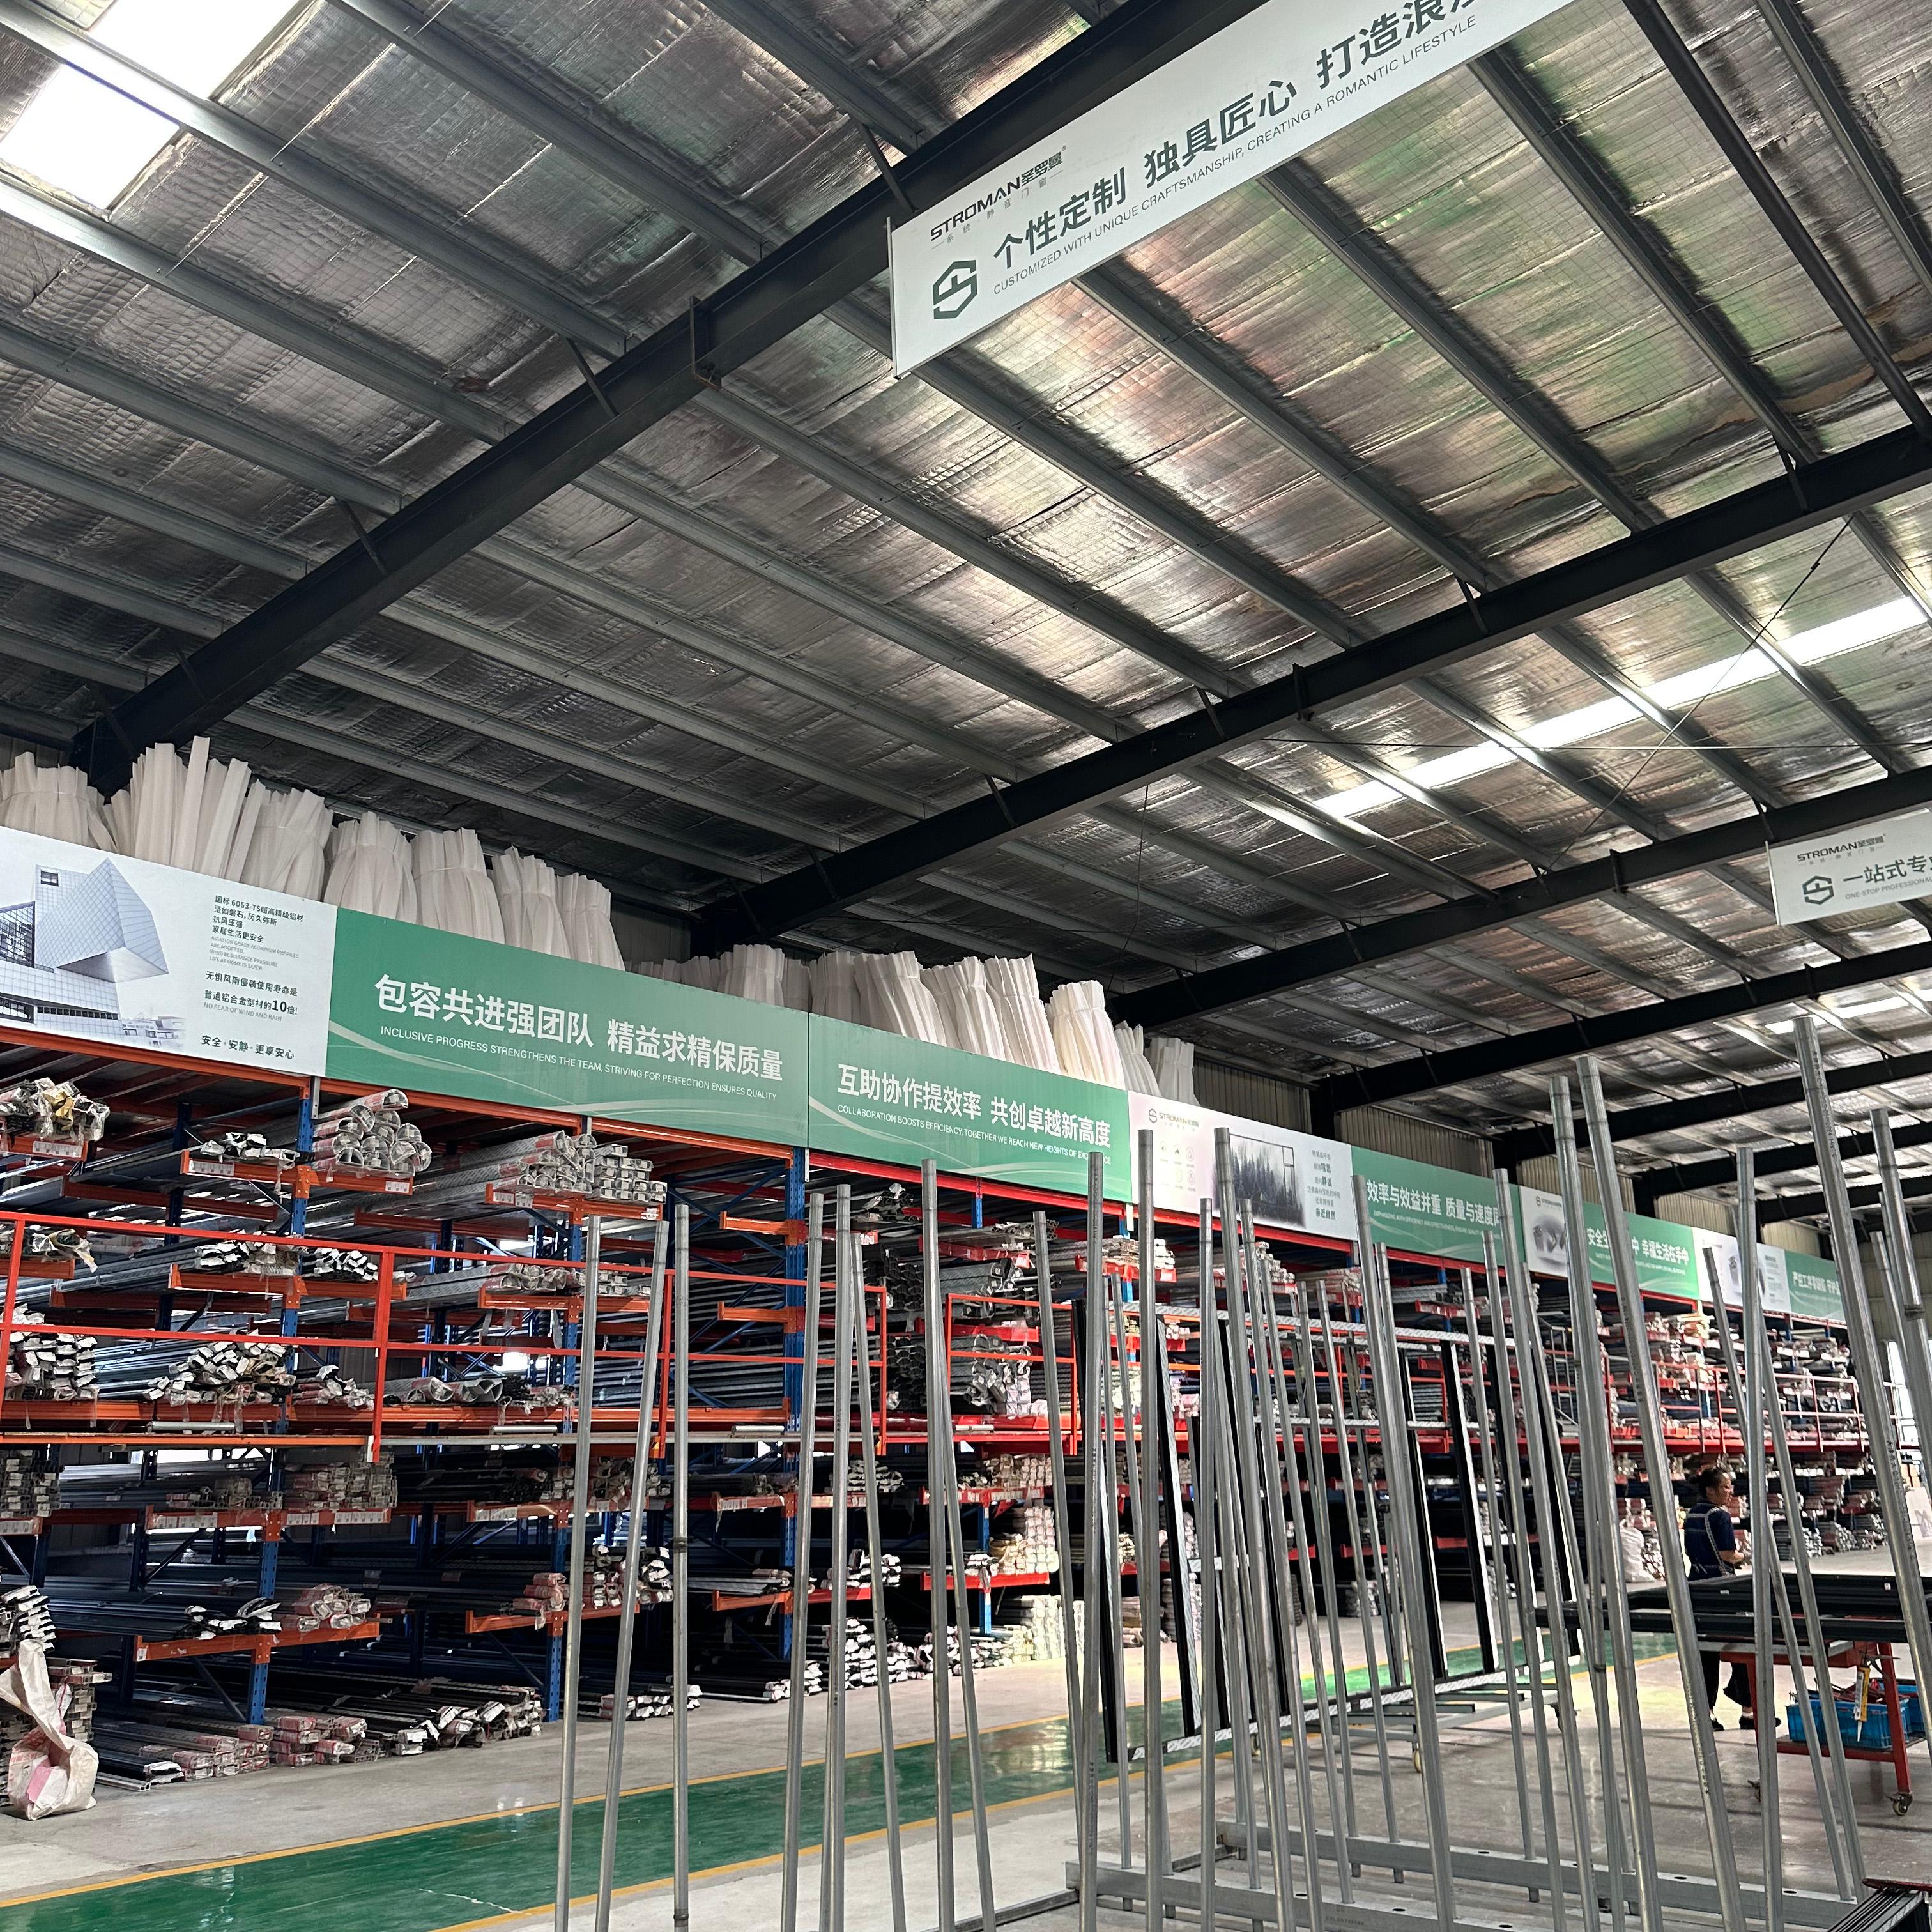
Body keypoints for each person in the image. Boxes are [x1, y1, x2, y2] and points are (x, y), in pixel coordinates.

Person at [1683, 1465, 1756, 1729]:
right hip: (1723, 1589)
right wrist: (1747, 1556)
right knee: (1741, 1645)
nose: (1730, 1492)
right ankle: (1748, 1711)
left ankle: (1707, 1714)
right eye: (1726, 1487)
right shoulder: (1720, 1516)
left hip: (1697, 1585)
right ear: (1711, 1491)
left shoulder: (1692, 1515)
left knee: (1706, 1651)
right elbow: (1728, 1554)